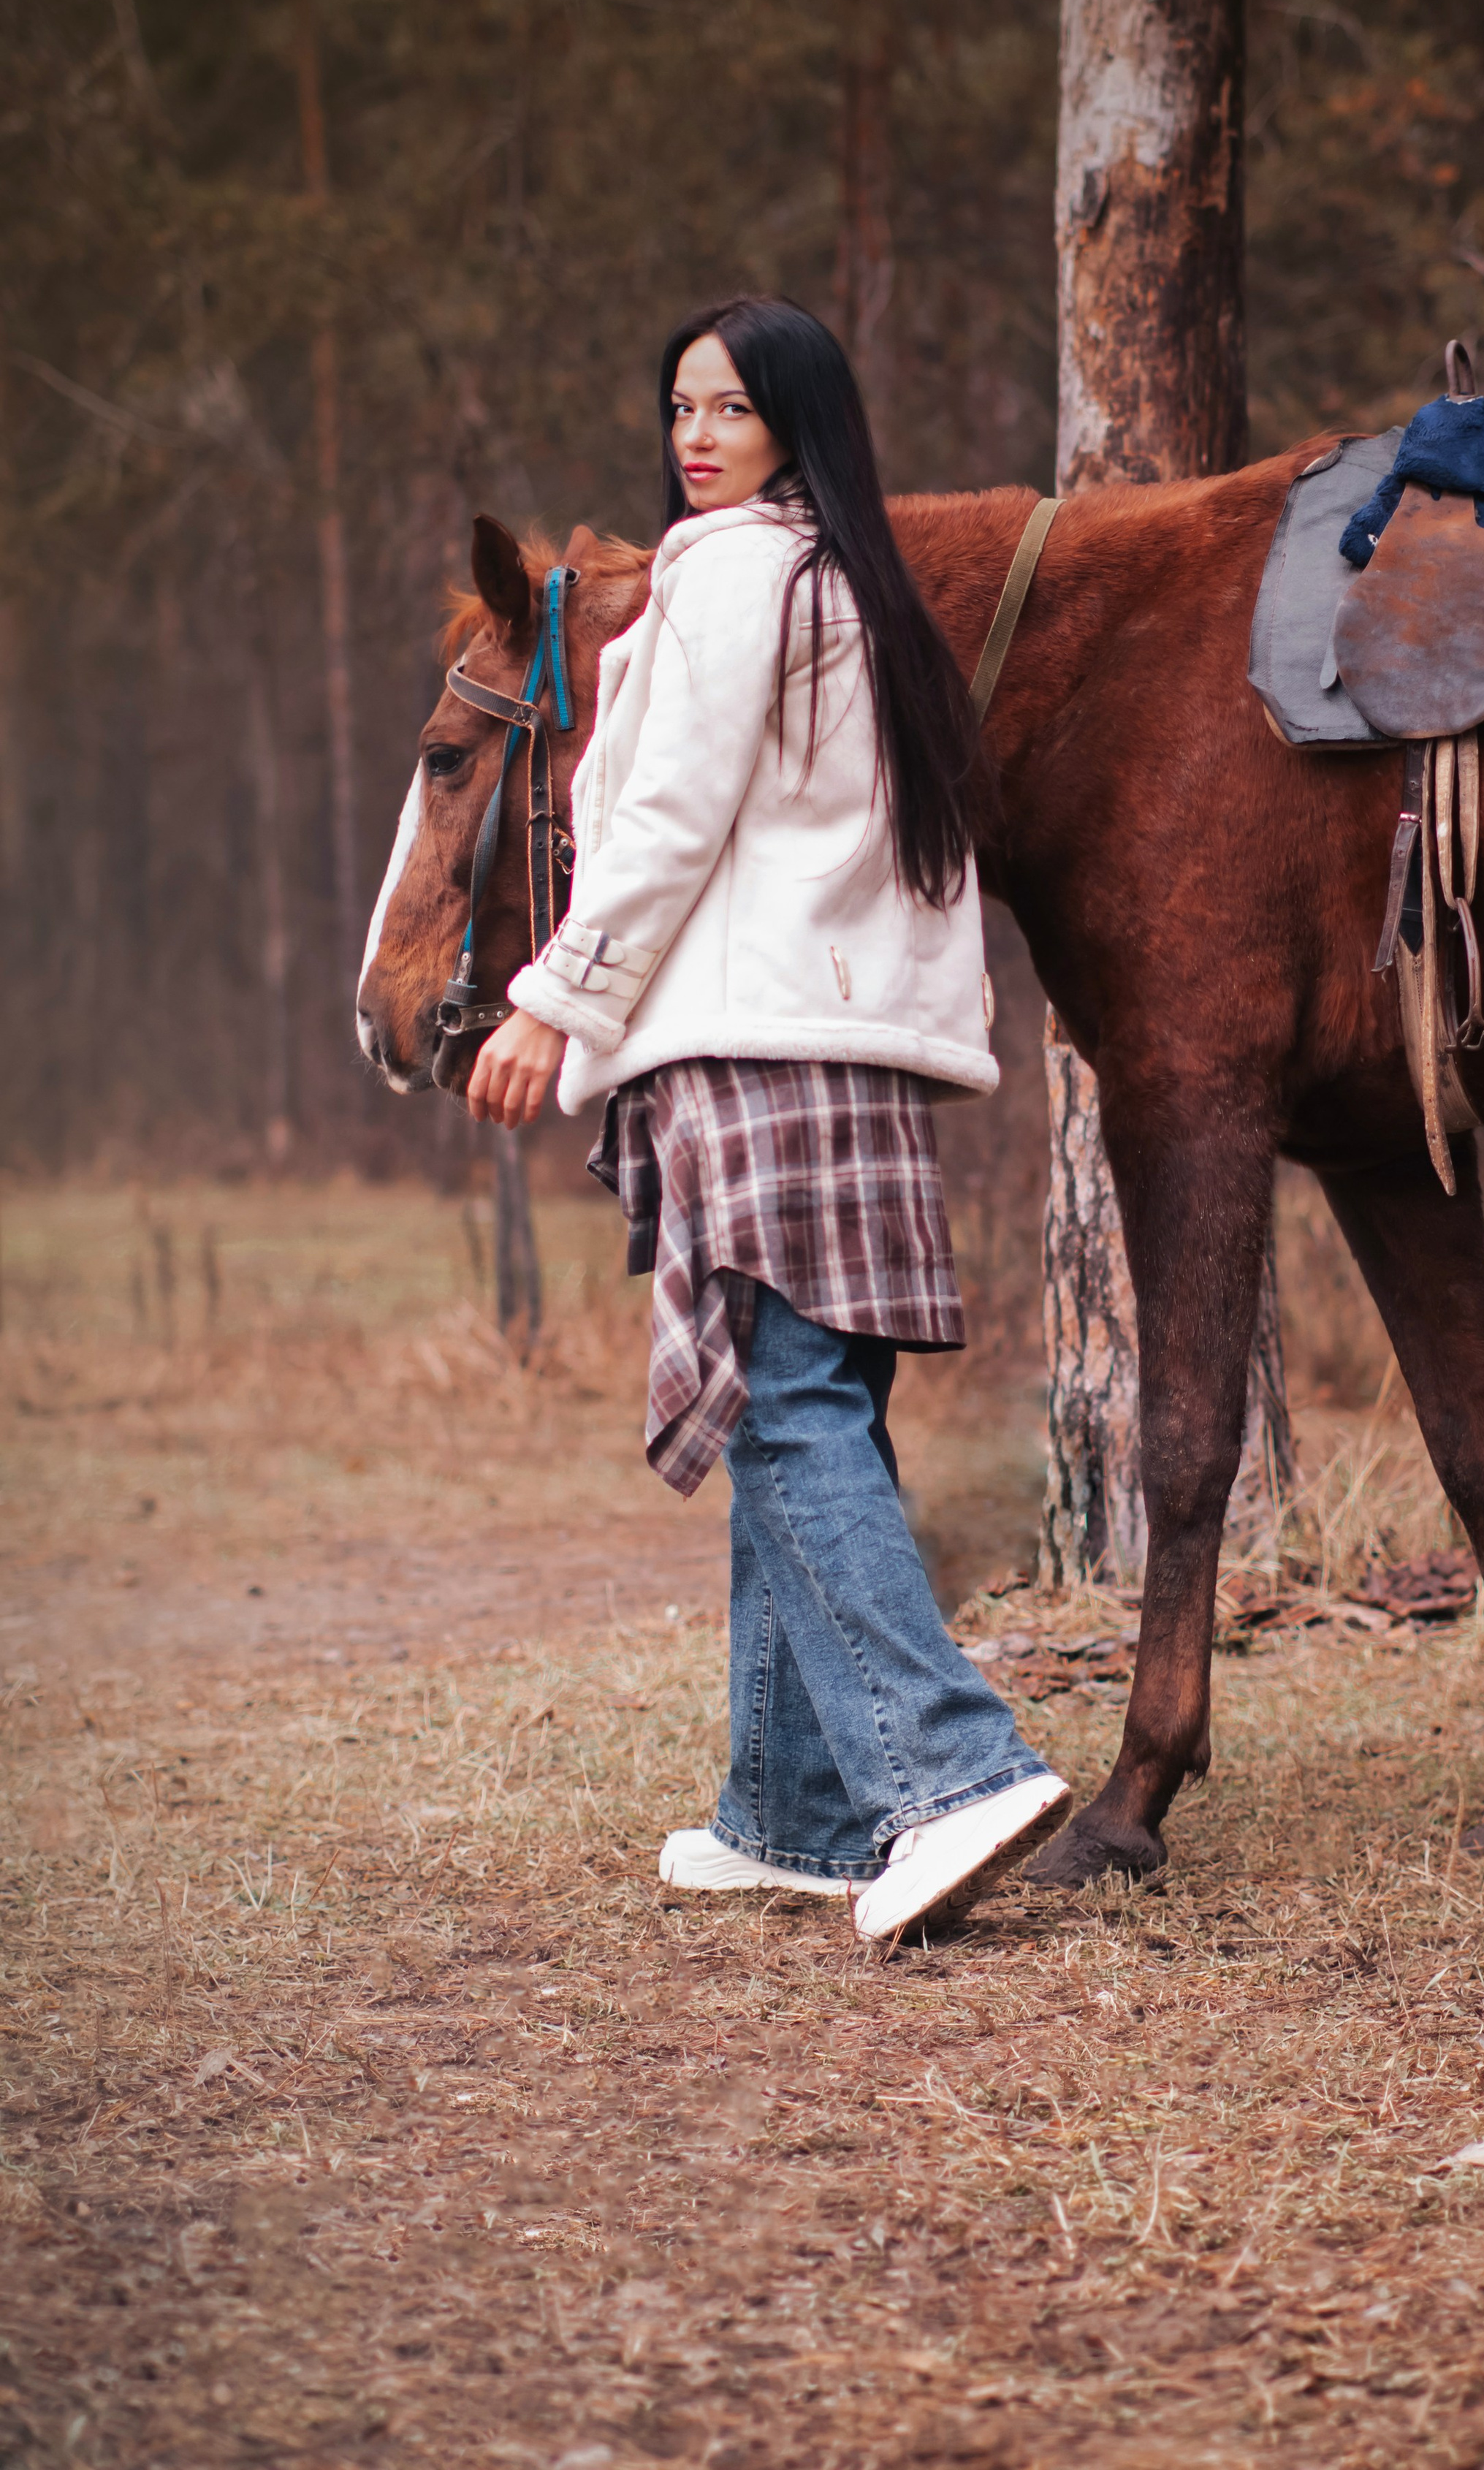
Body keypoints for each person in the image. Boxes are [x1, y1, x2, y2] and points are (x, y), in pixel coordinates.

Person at [465, 294, 1068, 1941]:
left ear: (796, 422)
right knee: (801, 1398)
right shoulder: (856, 586)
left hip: (751, 1039)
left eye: (729, 408)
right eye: (681, 408)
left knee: (787, 1399)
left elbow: (665, 816)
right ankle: (793, 1809)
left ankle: (951, 1776)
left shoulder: (730, 571)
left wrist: (552, 996)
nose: (696, 436)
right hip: (843, 1040)